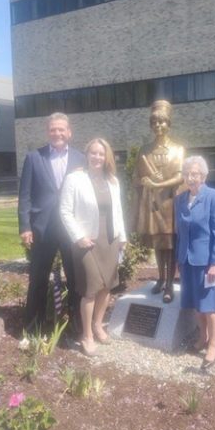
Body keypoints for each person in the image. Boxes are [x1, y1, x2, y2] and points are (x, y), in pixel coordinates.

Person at [18, 113, 87, 336]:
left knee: (76, 279)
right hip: (42, 229)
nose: (57, 133)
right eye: (53, 129)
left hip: (71, 230)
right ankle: (33, 328)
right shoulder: (33, 158)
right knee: (38, 278)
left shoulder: (80, 159)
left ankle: (75, 328)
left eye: (61, 129)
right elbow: (25, 196)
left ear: (69, 132)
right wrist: (25, 226)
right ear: (48, 132)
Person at [59, 138, 126, 356]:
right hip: (86, 241)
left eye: (101, 153)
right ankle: (86, 335)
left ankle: (98, 325)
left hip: (110, 239)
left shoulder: (113, 181)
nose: (97, 157)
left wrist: (122, 237)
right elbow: (65, 211)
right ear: (87, 155)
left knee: (107, 286)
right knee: (89, 289)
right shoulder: (74, 179)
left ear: (107, 157)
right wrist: (78, 237)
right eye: (93, 153)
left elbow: (118, 211)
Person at [175, 156, 215, 371]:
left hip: (208, 262)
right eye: (187, 173)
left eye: (195, 174)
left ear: (204, 176)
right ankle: (203, 336)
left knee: (210, 305)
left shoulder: (214, 198)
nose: (190, 177)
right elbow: (180, 233)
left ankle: (214, 343)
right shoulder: (180, 199)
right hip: (187, 260)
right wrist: (179, 258)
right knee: (196, 304)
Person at [132, 99, 184, 303]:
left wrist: (160, 185)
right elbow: (136, 177)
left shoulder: (178, 149)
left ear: (168, 124)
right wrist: (145, 180)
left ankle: (170, 283)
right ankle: (160, 278)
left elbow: (180, 177)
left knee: (169, 245)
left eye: (162, 122)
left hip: (170, 203)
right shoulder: (144, 151)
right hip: (152, 204)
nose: (158, 126)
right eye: (154, 123)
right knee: (158, 244)